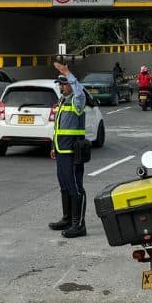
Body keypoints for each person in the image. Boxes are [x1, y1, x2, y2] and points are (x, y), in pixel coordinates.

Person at [49, 62, 88, 238]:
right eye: (61, 84)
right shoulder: (62, 101)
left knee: (76, 188)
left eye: (64, 84)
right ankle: (67, 218)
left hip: (73, 151)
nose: (62, 87)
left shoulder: (77, 100)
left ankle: (78, 225)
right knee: (64, 186)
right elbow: (57, 127)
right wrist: (53, 146)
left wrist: (68, 73)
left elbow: (79, 90)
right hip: (61, 150)